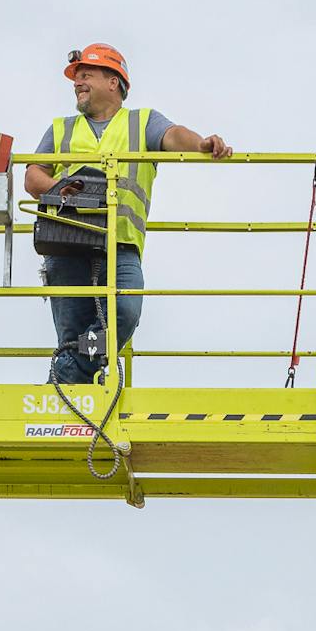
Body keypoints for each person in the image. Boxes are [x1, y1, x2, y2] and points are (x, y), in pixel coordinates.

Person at [26, 43, 233, 384]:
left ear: (113, 82)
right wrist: (56, 187)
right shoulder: (61, 128)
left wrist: (200, 145)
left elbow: (174, 135)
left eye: (86, 75)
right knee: (72, 335)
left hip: (119, 245)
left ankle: (66, 377)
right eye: (76, 78)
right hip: (66, 242)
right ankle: (72, 393)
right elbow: (32, 175)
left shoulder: (141, 123)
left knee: (123, 312)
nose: (77, 82)